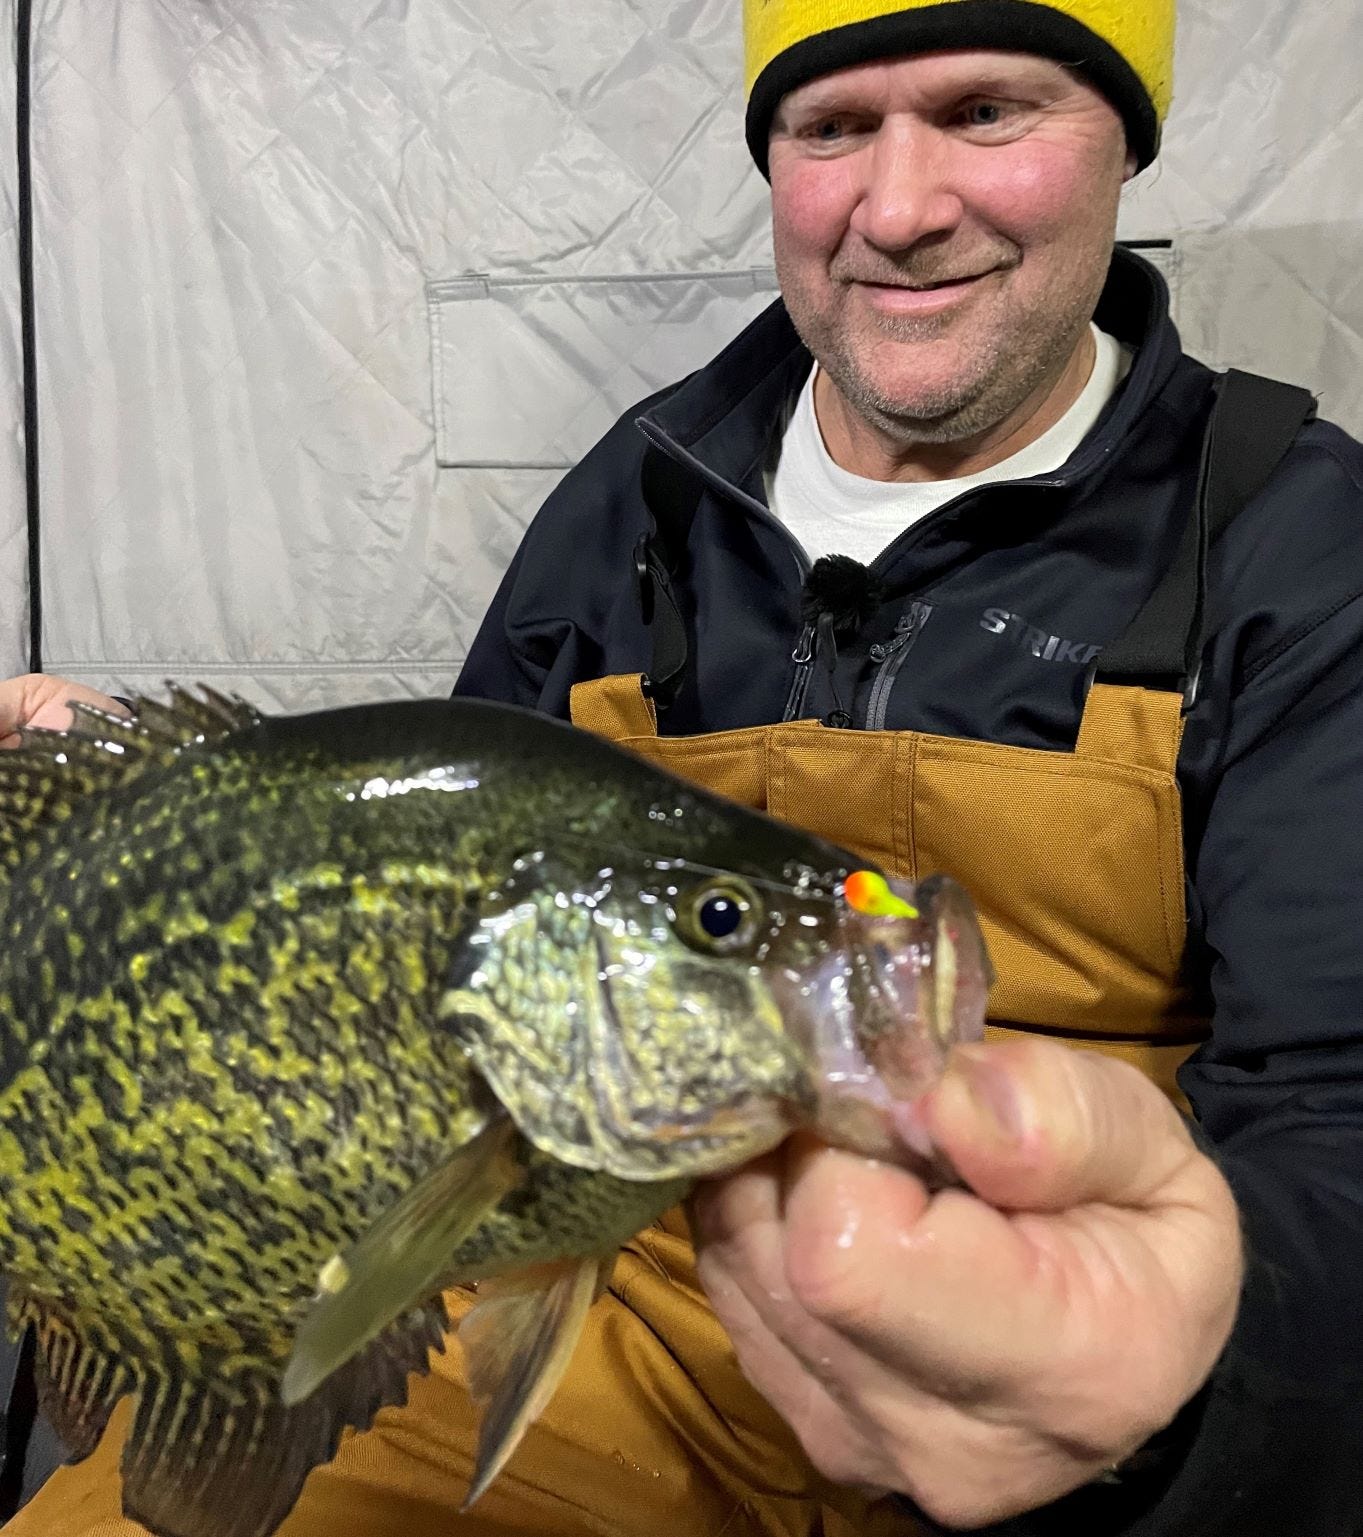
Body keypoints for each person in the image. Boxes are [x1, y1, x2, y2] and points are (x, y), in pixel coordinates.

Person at [5, 0, 1363, 1533]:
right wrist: (144, 858)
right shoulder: (639, 498)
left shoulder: (1296, 548)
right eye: (831, 128)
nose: (902, 209)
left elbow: (1344, 1129)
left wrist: (1184, 1390)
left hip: (1072, 1438)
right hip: (607, 1329)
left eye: (988, 110)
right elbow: (438, 914)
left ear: (1128, 140)